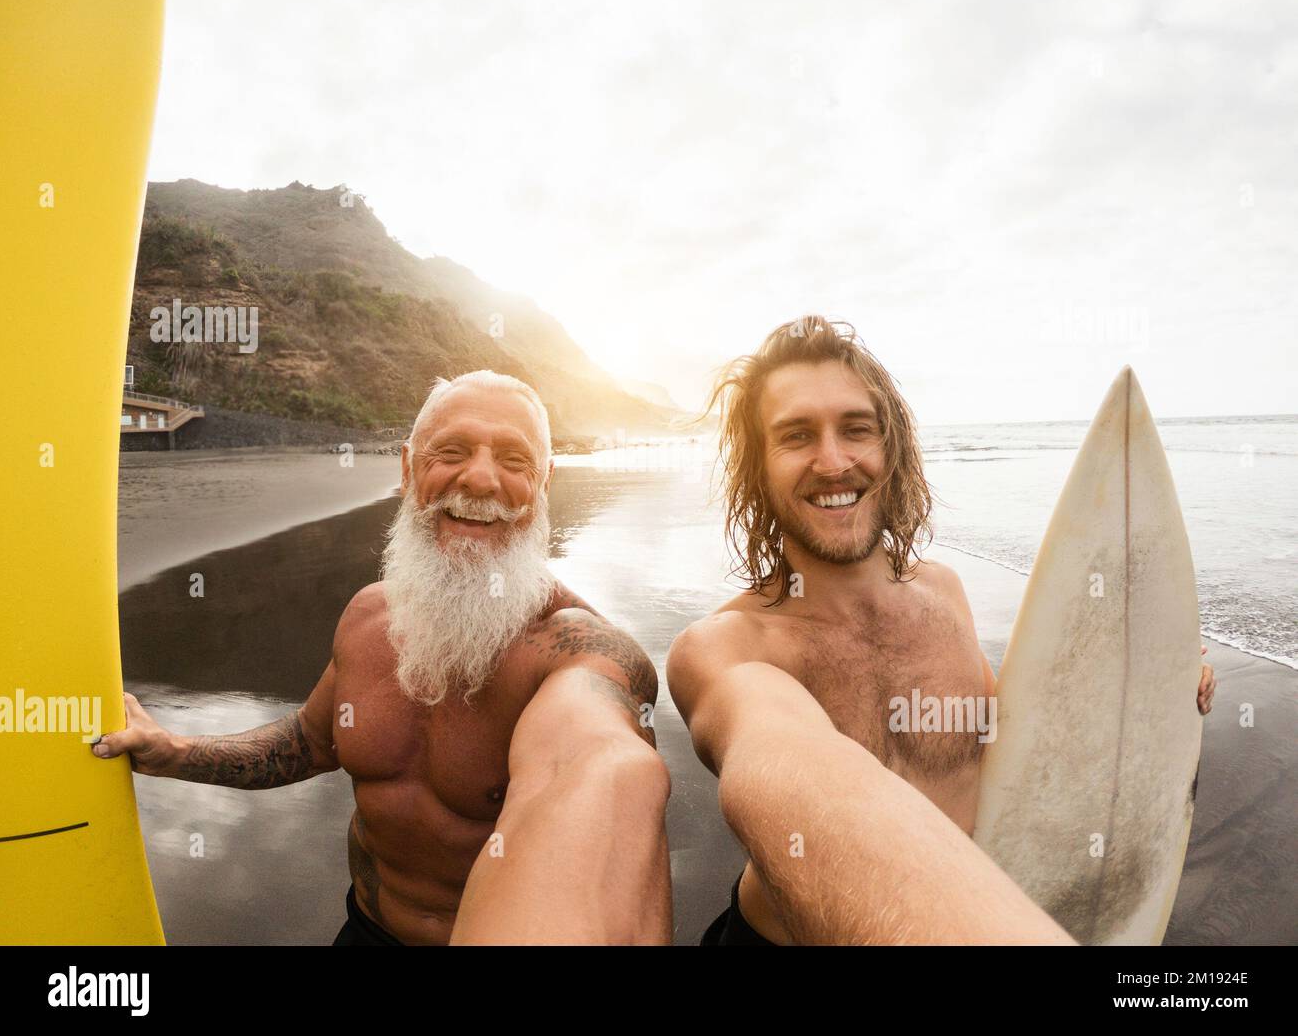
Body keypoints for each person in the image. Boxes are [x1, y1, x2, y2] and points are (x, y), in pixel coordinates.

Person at [668, 316, 1217, 945]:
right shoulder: (723, 648)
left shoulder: (944, 593)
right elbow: (776, 756)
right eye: (796, 436)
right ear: (758, 467)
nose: (834, 460)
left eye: (856, 430)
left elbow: (1014, 745)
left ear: (890, 448)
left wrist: (1144, 690)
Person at [94, 370, 672, 945]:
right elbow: (311, 742)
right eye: (451, 451)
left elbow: (606, 776)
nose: (479, 478)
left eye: (514, 461)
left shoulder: (581, 652)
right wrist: (175, 753)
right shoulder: (370, 619)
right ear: (407, 468)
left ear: (544, 481)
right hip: (365, 930)